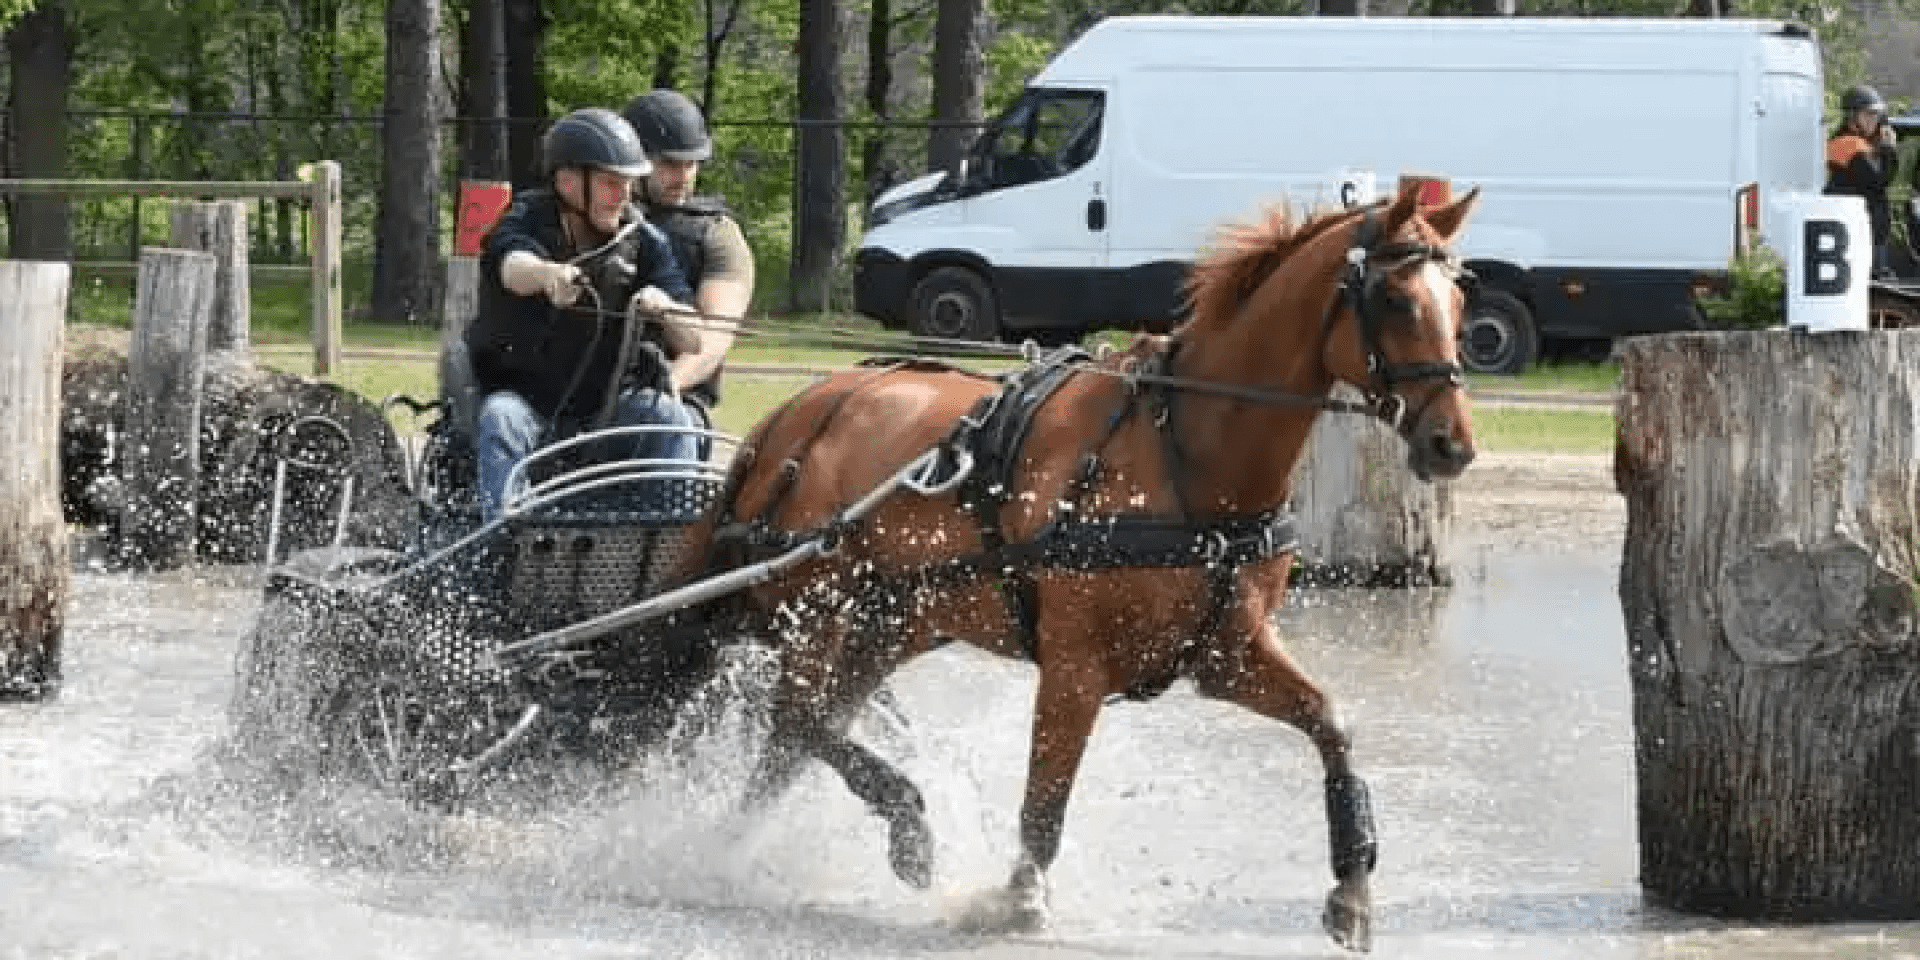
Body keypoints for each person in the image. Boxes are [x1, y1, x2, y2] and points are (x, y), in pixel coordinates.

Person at [466, 106, 706, 521]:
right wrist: (546, 275)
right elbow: (510, 264)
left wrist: (666, 309)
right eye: (612, 183)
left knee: (669, 417)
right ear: (569, 181)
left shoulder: (644, 240)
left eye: (629, 184)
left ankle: (666, 548)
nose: (624, 195)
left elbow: (694, 339)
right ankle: (506, 549)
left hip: (606, 412)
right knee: (501, 418)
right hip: (529, 408)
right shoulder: (526, 217)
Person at [620, 89, 756, 413]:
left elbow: (713, 339)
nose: (682, 177)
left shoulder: (718, 234)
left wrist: (669, 386)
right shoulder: (600, 215)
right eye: (668, 164)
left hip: (678, 401)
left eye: (691, 164)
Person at [1824, 84, 1900, 278]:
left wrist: (1884, 151)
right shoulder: (1848, 145)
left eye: (1876, 115)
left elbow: (1884, 179)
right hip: (1857, 235)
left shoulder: (1860, 144)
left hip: (1865, 234)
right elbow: (1879, 182)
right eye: (1868, 115)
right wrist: (1888, 151)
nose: (1873, 121)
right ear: (1852, 117)